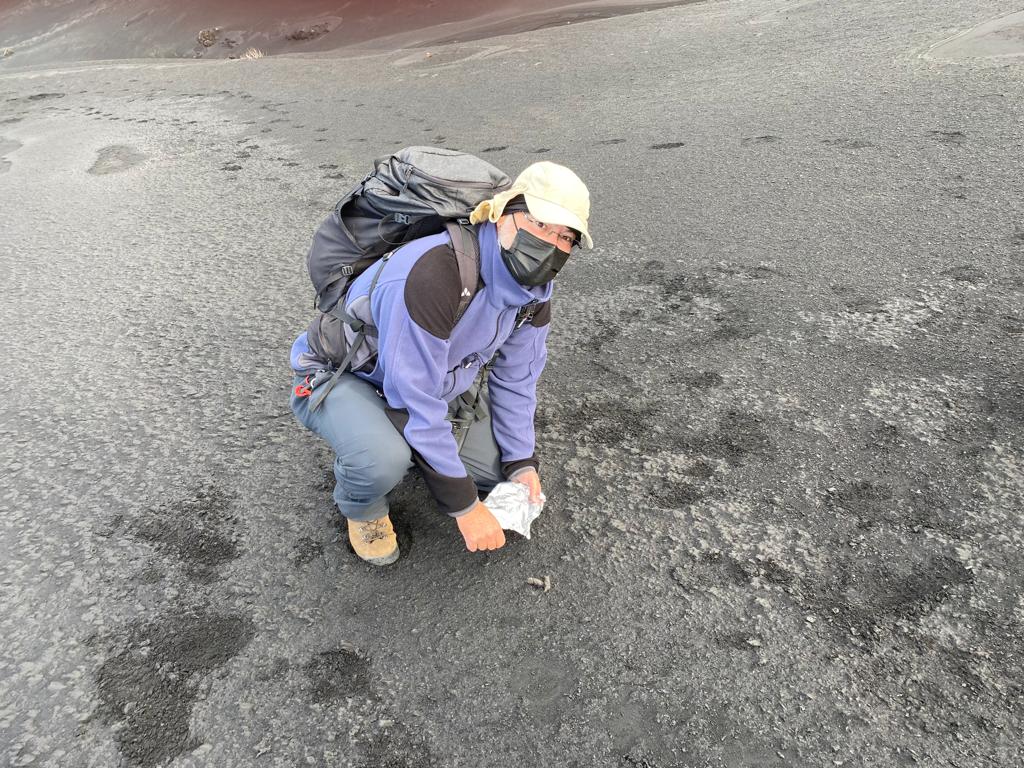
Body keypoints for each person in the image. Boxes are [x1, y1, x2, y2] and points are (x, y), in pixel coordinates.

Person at [289, 161, 593, 565]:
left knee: (497, 471)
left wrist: (522, 462)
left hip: (431, 380)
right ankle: (361, 505)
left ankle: (415, 448)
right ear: (503, 214)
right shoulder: (435, 273)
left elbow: (518, 380)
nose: (552, 244)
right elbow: (412, 399)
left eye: (566, 237)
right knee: (382, 460)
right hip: (351, 375)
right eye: (541, 225)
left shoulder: (533, 294)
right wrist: (465, 509)